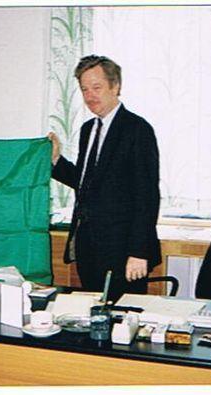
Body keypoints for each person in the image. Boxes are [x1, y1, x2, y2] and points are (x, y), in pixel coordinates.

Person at [48, 55, 161, 302]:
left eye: (97, 87)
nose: (90, 96)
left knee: (122, 327)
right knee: (93, 321)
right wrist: (56, 161)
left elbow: (147, 196)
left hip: (124, 253)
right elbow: (86, 183)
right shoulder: (88, 130)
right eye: (84, 89)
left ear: (116, 86)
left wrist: (138, 252)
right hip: (88, 248)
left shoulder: (137, 130)